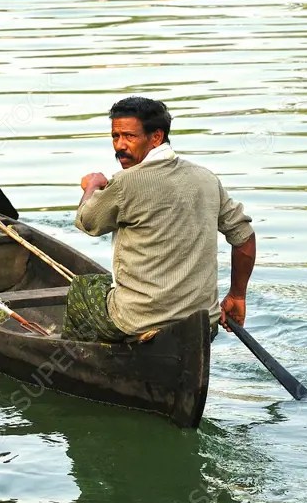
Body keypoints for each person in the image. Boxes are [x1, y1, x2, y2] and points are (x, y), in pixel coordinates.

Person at [65, 96, 256, 341]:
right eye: (115, 136)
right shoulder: (205, 178)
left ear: (156, 137)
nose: (120, 146)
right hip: (203, 322)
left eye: (129, 137)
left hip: (137, 321)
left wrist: (92, 186)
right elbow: (244, 238)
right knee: (104, 281)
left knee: (80, 290)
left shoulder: (125, 183)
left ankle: (82, 363)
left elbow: (87, 221)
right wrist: (237, 296)